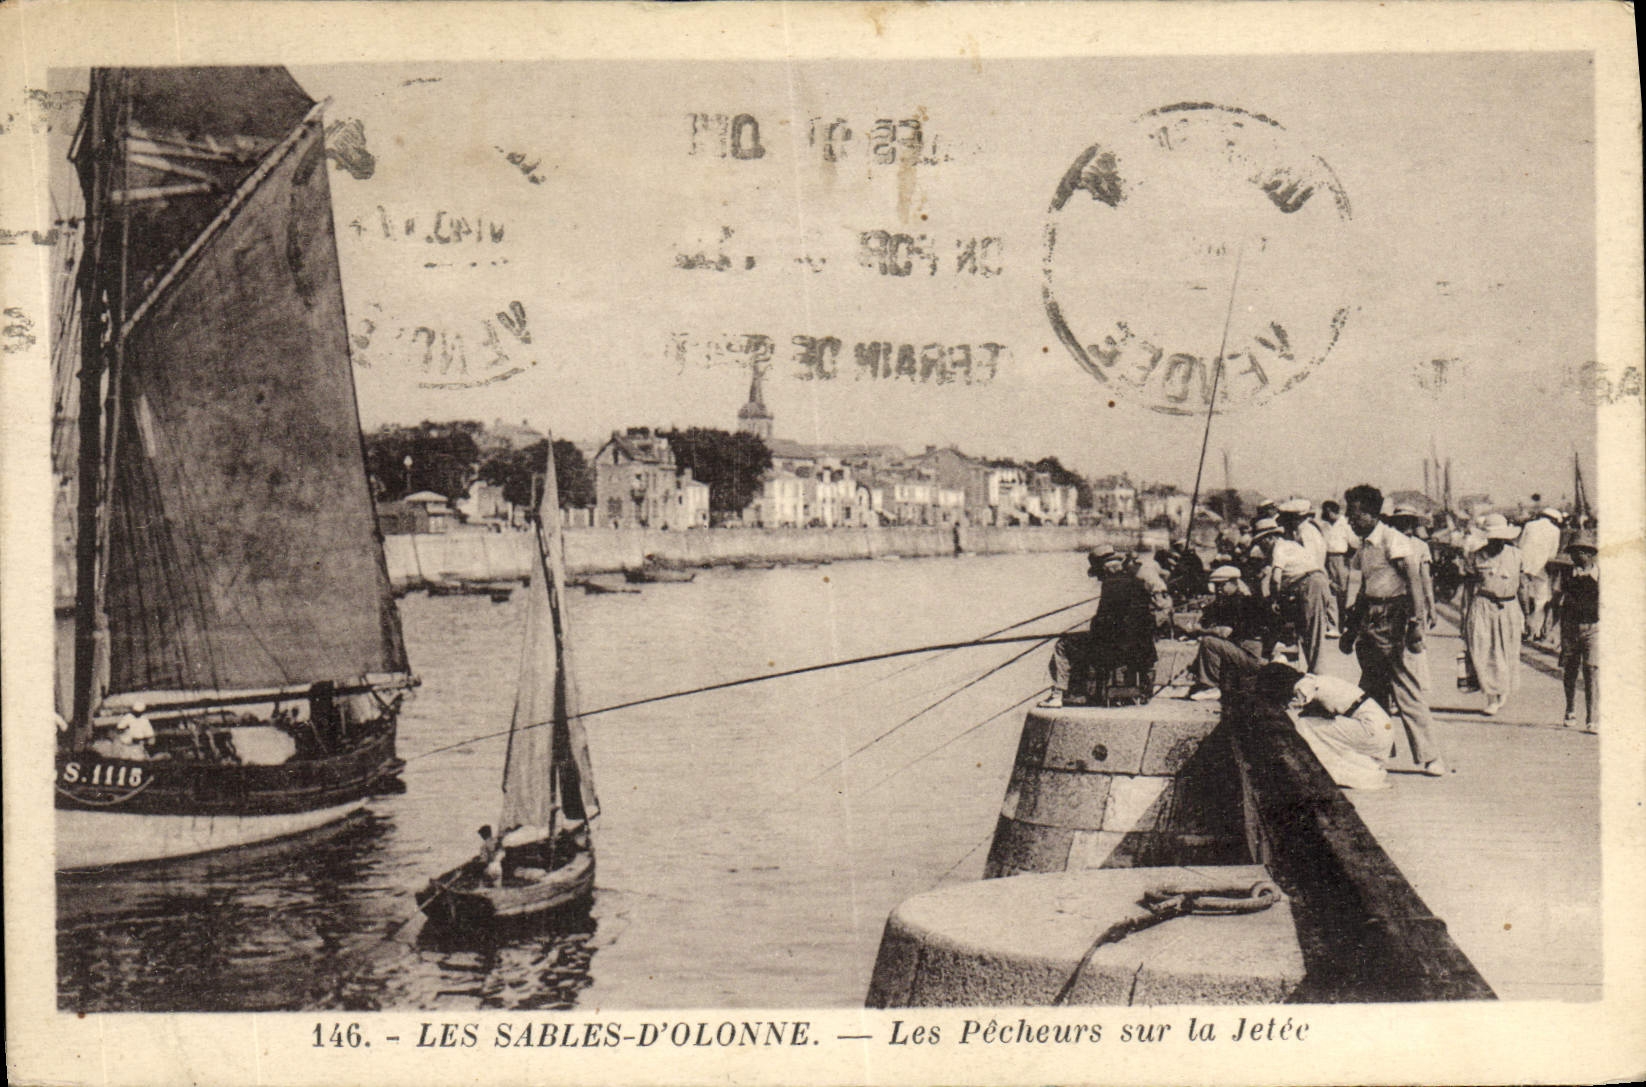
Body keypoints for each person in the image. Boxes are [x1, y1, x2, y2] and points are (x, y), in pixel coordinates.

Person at [1341, 484, 1447, 777]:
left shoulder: (1393, 540)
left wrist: (1416, 623)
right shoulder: (1364, 547)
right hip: (1371, 620)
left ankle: (1430, 757)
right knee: (1372, 692)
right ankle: (1378, 752)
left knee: (1405, 688)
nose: (1350, 520)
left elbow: (1413, 581)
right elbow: (1364, 589)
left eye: (1354, 515)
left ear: (1371, 514)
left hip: (1394, 618)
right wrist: (1351, 630)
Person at [1044, 545, 1157, 708]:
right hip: (1142, 650)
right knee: (1081, 642)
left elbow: (1102, 625)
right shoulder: (1137, 582)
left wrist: (1093, 629)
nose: (1098, 578)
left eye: (1098, 574)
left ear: (1104, 569)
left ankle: (1059, 694)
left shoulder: (1110, 585)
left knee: (1063, 644)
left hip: (1115, 651)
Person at [1253, 662, 1393, 791]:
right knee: (1316, 726)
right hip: (1380, 727)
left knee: (1305, 725)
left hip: (1371, 728)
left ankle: (1315, 770)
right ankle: (1360, 770)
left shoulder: (1303, 686)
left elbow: (1304, 706)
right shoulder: (1313, 679)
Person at [1461, 512, 1524, 716]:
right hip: (1483, 605)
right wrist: (1464, 615)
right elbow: (1468, 588)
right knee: (1482, 649)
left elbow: (1523, 586)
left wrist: (1528, 614)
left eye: (1501, 538)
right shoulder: (1476, 556)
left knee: (1506, 651)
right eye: (1493, 538)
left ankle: (1501, 691)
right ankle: (1491, 696)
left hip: (1509, 607)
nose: (1496, 542)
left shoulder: (1517, 555)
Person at [1181, 565, 1273, 699]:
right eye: (1216, 586)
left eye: (1221, 585)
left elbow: (1224, 632)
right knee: (1210, 642)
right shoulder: (1233, 601)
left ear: (1233, 583)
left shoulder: (1242, 603)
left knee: (1209, 642)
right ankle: (1204, 683)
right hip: (1243, 652)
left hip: (1252, 656)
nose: (1218, 590)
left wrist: (1200, 630)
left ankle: (1211, 687)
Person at [1263, 507, 1332, 672]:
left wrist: (1274, 599)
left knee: (1313, 634)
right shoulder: (1294, 544)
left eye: (1262, 541)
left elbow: (1275, 578)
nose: (1262, 546)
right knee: (1308, 632)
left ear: (1271, 537)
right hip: (1312, 583)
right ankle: (1313, 673)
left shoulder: (1279, 547)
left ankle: (1318, 677)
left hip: (1310, 585)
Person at [1552, 531, 1598, 730]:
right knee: (1570, 669)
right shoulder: (1565, 575)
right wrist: (1549, 623)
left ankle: (1592, 717)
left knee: (1591, 669)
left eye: (1580, 552)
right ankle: (1570, 708)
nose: (1575, 557)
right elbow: (1555, 601)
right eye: (1572, 552)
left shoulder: (1602, 575)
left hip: (1594, 628)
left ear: (1589, 553)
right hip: (1570, 627)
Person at [1517, 507, 1564, 643]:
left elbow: (1520, 545)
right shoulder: (1555, 531)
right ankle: (1536, 630)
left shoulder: (1529, 525)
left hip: (1523, 566)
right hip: (1540, 567)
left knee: (1521, 598)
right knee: (1541, 599)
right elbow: (1552, 554)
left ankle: (1522, 628)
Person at [1319, 499, 1354, 635]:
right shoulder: (1325, 525)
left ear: (1334, 511)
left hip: (1341, 559)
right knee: (1330, 591)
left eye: (1328, 512)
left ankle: (1343, 624)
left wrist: (1346, 560)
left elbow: (1354, 543)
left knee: (1343, 592)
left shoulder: (1345, 524)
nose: (1326, 515)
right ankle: (1333, 626)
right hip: (1327, 558)